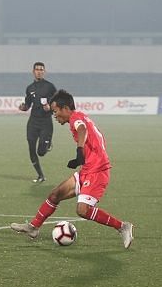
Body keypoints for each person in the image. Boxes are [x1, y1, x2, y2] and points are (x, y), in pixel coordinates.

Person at [10, 89, 134, 249]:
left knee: (83, 210)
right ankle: (33, 227)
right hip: (88, 169)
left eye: (55, 111)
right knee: (55, 194)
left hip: (97, 171)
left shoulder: (76, 118)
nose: (55, 115)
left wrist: (79, 151)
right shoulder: (79, 116)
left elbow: (82, 129)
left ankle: (122, 226)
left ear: (65, 109)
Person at [18, 62, 57, 183]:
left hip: (46, 122)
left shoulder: (50, 87)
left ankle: (47, 143)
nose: (39, 71)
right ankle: (40, 175)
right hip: (33, 122)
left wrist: (50, 107)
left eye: (41, 69)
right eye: (37, 69)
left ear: (44, 72)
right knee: (31, 149)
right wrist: (23, 107)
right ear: (33, 72)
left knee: (41, 152)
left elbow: (57, 103)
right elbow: (28, 105)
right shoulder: (30, 88)